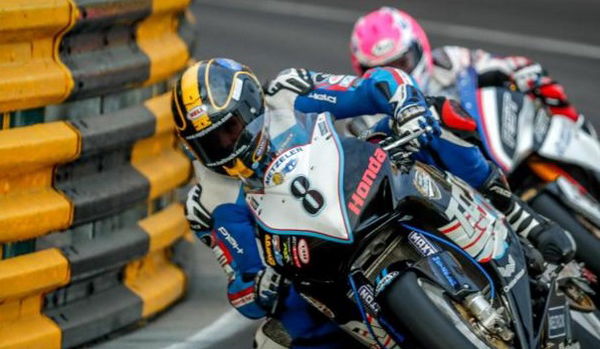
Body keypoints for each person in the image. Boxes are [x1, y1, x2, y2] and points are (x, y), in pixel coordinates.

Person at [173, 58, 573, 348]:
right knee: (271, 342)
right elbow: (242, 281)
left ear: (249, 107)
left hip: (361, 186)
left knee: (438, 113)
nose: (225, 148)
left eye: (229, 130)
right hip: (313, 262)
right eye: (210, 144)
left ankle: (517, 216)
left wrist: (405, 104)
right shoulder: (207, 202)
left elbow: (373, 85)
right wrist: (258, 286)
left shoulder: (287, 92)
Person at [349, 7, 580, 122]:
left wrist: (521, 71)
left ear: (418, 47)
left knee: (549, 95)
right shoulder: (365, 115)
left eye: (401, 62)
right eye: (385, 69)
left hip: (501, 139)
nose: (397, 74)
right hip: (458, 185)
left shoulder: (450, 60)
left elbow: (502, 64)